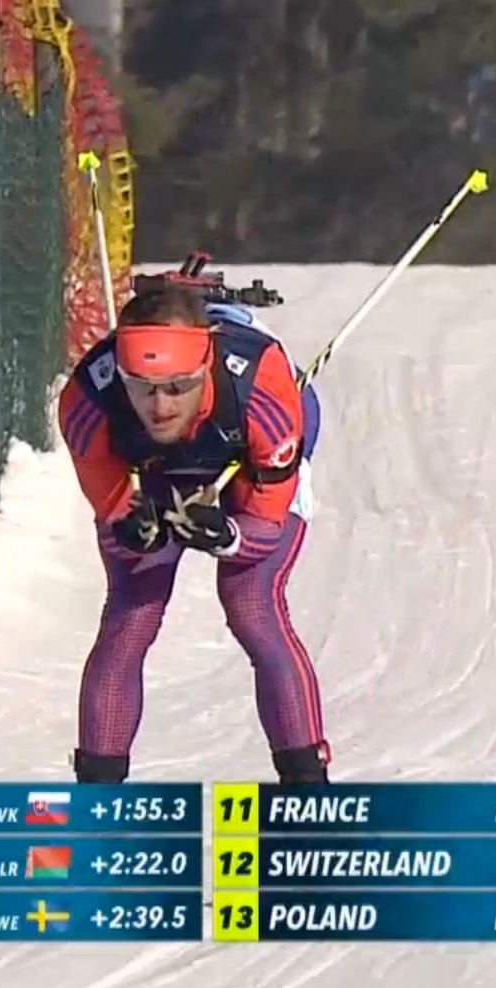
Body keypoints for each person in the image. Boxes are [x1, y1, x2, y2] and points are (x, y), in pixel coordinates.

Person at [57, 281, 329, 785]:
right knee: (130, 618)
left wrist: (227, 535)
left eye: (179, 387)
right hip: (152, 472)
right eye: (142, 388)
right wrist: (131, 526)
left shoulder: (264, 391)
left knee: (252, 605)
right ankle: (97, 801)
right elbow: (114, 509)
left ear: (205, 369)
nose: (160, 407)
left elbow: (265, 526)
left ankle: (308, 788)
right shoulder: (86, 404)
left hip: (248, 464)